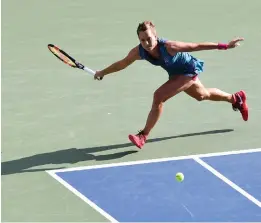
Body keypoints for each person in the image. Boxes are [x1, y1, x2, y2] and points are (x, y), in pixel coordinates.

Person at [94, 21, 248, 149]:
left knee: (158, 97)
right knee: (202, 95)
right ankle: (235, 99)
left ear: (155, 35)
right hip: (175, 75)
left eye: (149, 38)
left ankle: (143, 135)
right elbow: (122, 63)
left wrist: (225, 46)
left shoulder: (170, 47)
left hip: (188, 70)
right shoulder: (139, 52)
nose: (146, 43)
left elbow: (196, 46)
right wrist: (102, 72)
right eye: (142, 40)